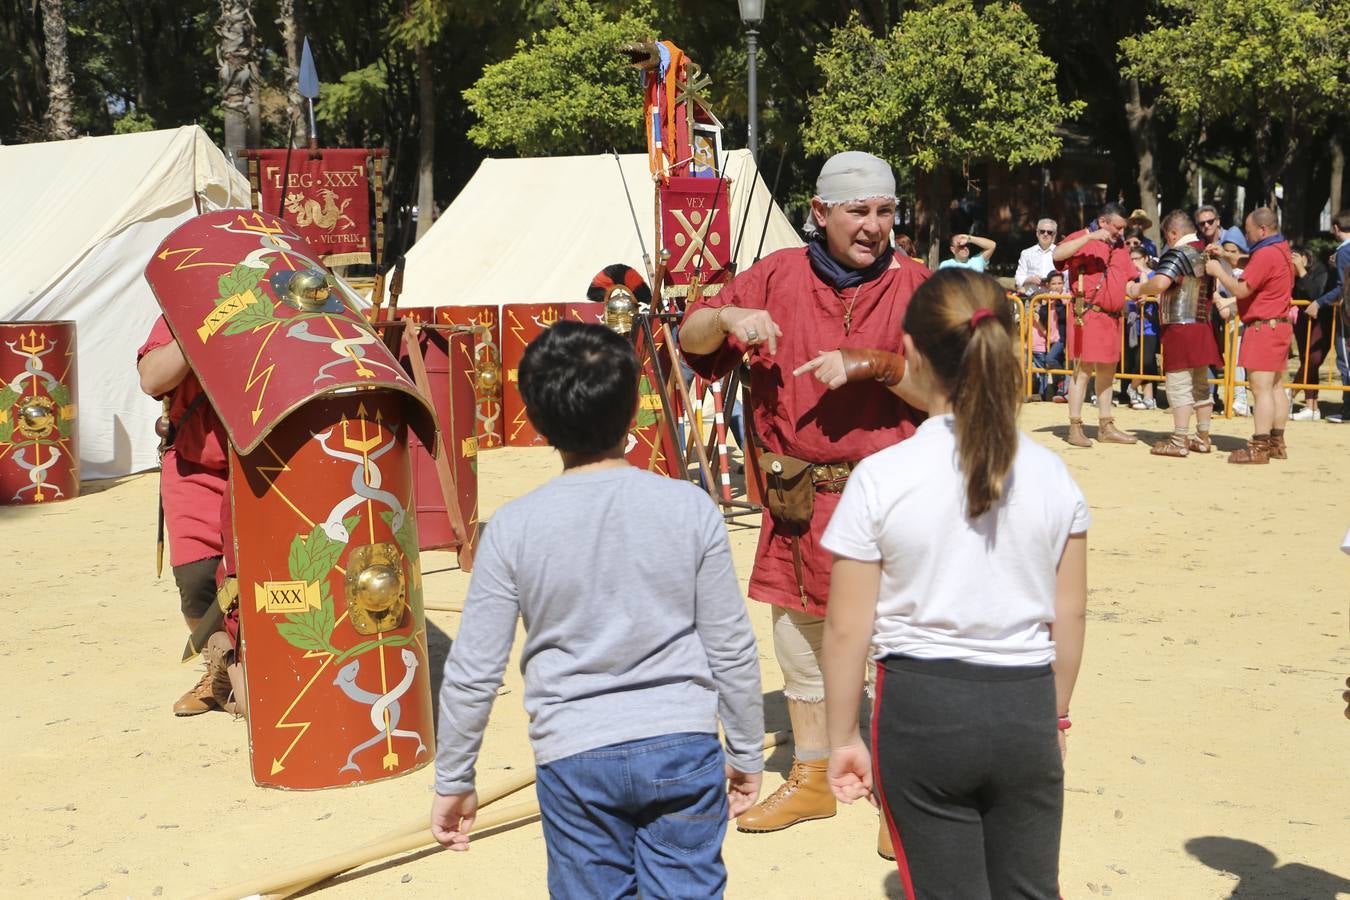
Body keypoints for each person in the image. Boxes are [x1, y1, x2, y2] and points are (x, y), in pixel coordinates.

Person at [430, 322, 764, 898]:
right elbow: (730, 643)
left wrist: (455, 775)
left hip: (574, 753)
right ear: (635, 409)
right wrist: (745, 747)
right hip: (682, 742)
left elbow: (474, 670)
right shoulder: (689, 507)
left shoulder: (513, 527)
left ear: (534, 419)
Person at [678, 150, 929, 852]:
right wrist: (729, 312)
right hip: (796, 498)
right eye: (858, 210)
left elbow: (949, 392)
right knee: (799, 643)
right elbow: (691, 337)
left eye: (885, 211)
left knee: (894, 647)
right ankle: (813, 776)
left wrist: (876, 366)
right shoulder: (777, 276)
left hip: (889, 500)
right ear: (819, 213)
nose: (874, 226)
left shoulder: (918, 285)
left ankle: (900, 795)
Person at [820, 268, 1089, 899]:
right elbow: (1069, 616)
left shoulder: (883, 476)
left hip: (921, 706)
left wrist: (842, 738)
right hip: (1026, 701)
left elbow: (845, 626)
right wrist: (1057, 716)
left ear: (909, 352)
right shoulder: (1053, 475)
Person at [137, 317, 237, 717]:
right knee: (197, 581)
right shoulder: (181, 308)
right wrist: (207, 321)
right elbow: (152, 378)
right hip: (196, 465)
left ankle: (265, 670)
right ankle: (220, 670)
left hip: (269, 464)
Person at [1126, 210, 1224, 457]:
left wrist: (1137, 288)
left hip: (1181, 327)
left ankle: (1180, 439)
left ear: (1173, 233)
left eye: (1167, 236)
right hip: (1202, 324)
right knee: (1201, 384)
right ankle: (1202, 437)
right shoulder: (1205, 251)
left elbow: (1159, 284)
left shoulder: (1179, 252)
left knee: (1179, 384)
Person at [1207, 207, 1295, 463]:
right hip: (1278, 325)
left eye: (1249, 231)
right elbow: (1253, 263)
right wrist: (1226, 255)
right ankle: (1277, 442)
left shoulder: (1267, 253)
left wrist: (1218, 270)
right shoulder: (1280, 248)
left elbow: (1242, 289)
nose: (1247, 235)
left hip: (1263, 327)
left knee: (1261, 389)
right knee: (1276, 386)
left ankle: (1259, 446)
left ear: (1263, 229)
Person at [1053, 201, 1139, 447]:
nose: (1121, 233)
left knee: (1107, 373)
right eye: (1118, 228)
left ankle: (1106, 425)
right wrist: (1089, 238)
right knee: (1082, 372)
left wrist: (1144, 286)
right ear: (1103, 222)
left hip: (1112, 317)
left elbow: (1130, 276)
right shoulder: (1084, 236)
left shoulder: (1120, 246)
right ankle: (1075, 426)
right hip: (1088, 315)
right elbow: (1057, 255)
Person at [1309, 210, 1350, 422]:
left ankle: (1348, 410)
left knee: (1346, 361)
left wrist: (1319, 301)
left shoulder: (1344, 251)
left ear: (1335, 228)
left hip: (1347, 314)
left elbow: (1343, 287)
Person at [1290, 243, 1330, 420]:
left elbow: (1316, 293)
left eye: (1297, 257)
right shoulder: (1292, 274)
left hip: (1322, 321)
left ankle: (1289, 394)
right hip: (1302, 321)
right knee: (1306, 360)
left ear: (1306, 256)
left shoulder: (1320, 270)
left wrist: (1301, 271)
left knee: (1313, 359)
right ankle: (1311, 406)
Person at [1123, 237, 1159, 411]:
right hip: (1132, 325)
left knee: (1146, 361)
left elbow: (1152, 294)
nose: (1133, 263)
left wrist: (1142, 275)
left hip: (1150, 325)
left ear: (1145, 258)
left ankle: (1132, 387)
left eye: (1136, 259)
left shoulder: (1153, 275)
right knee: (1137, 361)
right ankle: (1148, 396)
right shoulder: (1129, 278)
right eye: (1130, 260)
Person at [1031, 270, 1068, 401]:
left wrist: (1057, 301)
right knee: (1059, 362)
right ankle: (1061, 389)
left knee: (1050, 359)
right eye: (1054, 284)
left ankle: (1063, 382)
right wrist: (1045, 305)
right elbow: (1044, 318)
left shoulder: (1066, 297)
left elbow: (1064, 316)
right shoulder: (1047, 298)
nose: (1057, 286)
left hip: (1062, 337)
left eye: (1060, 283)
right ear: (1048, 285)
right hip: (1051, 337)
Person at [1015, 218, 1060, 292]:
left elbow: (1066, 278)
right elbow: (1018, 278)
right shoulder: (1026, 253)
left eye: (1049, 232)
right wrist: (1029, 279)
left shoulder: (1060, 253)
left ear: (1054, 236)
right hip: (1032, 299)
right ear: (1037, 233)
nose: (1045, 234)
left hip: (1054, 299)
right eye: (1042, 231)